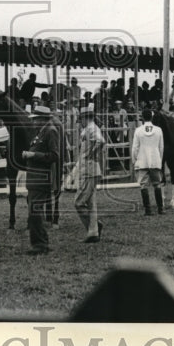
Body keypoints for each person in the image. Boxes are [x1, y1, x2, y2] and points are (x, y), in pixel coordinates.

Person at [21, 104, 60, 255]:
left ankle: (39, 244)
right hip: (35, 178)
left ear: (43, 119)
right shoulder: (41, 131)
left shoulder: (51, 131)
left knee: (34, 212)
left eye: (36, 119)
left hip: (40, 178)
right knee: (34, 212)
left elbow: (54, 155)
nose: (33, 122)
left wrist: (33, 155)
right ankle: (41, 242)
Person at [74, 103, 105, 242]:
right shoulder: (89, 128)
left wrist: (91, 154)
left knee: (79, 202)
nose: (80, 121)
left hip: (89, 170)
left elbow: (100, 141)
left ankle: (94, 227)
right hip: (90, 170)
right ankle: (93, 232)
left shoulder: (91, 128)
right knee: (91, 204)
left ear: (84, 117)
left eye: (80, 118)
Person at [131, 108, 165, 216]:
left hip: (142, 160)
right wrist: (159, 159)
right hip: (155, 160)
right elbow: (161, 147)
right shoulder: (158, 130)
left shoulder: (138, 130)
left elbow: (135, 148)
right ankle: (160, 208)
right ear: (152, 117)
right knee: (157, 184)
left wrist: (134, 159)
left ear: (142, 117)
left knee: (143, 185)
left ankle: (148, 209)